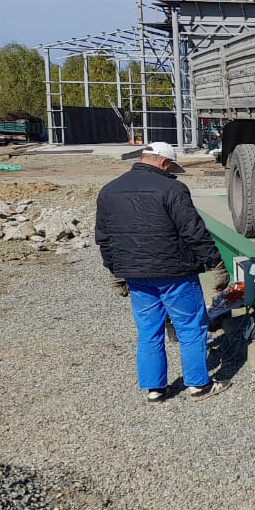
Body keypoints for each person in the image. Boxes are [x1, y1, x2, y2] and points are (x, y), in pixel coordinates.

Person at [95, 141, 230, 403]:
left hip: (136, 275)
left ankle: (155, 390)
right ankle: (199, 385)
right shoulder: (173, 188)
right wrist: (215, 263)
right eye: (170, 168)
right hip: (175, 273)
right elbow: (193, 230)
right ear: (165, 163)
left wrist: (116, 271)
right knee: (191, 326)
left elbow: (104, 237)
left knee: (149, 331)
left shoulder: (109, 190)